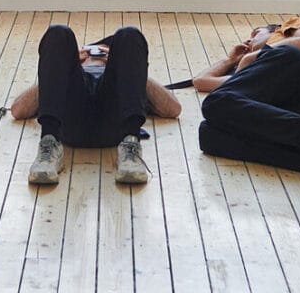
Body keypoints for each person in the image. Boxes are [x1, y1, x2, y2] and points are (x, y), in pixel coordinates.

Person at [194, 17, 300, 192]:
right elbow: (200, 81)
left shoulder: (288, 28)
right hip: (285, 117)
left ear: (274, 31)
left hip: (294, 70)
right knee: (208, 135)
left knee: (214, 102)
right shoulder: (250, 69)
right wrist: (231, 60)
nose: (249, 40)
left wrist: (255, 54)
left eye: (255, 33)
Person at [9, 24, 181, 186]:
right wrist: (59, 70)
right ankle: (48, 145)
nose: (95, 56)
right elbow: (18, 110)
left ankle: (131, 147)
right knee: (58, 33)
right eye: (90, 52)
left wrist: (133, 72)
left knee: (130, 34)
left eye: (101, 52)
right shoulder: (66, 77)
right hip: (73, 115)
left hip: (114, 119)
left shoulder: (128, 84)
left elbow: (173, 108)